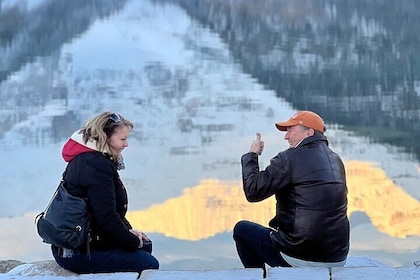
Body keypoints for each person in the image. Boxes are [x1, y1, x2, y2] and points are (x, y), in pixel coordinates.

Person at [233, 110, 349, 275]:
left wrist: (252, 155)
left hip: (299, 256)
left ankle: (259, 277)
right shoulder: (336, 160)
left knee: (242, 230)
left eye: (291, 130)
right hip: (338, 257)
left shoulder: (289, 158)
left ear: (309, 132)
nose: (286, 137)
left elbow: (253, 191)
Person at [51, 111, 159, 275]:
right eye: (122, 139)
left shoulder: (94, 159)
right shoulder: (95, 165)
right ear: (106, 138)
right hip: (76, 250)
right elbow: (106, 217)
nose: (126, 144)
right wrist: (132, 241)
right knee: (148, 262)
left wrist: (129, 232)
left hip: (85, 239)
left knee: (145, 245)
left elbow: (106, 211)